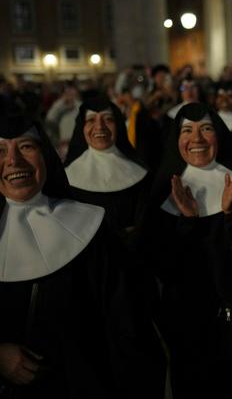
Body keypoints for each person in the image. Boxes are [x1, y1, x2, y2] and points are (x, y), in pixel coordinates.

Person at [0, 100, 164, 398]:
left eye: (26, 146)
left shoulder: (91, 228)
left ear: (45, 155)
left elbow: (127, 328)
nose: (14, 160)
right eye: (0, 150)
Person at [139, 102, 232, 398]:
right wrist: (188, 221)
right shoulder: (161, 193)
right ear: (175, 139)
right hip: (186, 328)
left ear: (220, 135)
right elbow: (162, 267)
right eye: (187, 131)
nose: (197, 139)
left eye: (206, 129)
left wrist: (230, 215)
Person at [64, 96, 149, 240]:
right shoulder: (65, 178)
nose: (100, 126)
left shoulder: (141, 175)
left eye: (108, 119)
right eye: (91, 120)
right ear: (81, 128)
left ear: (118, 125)